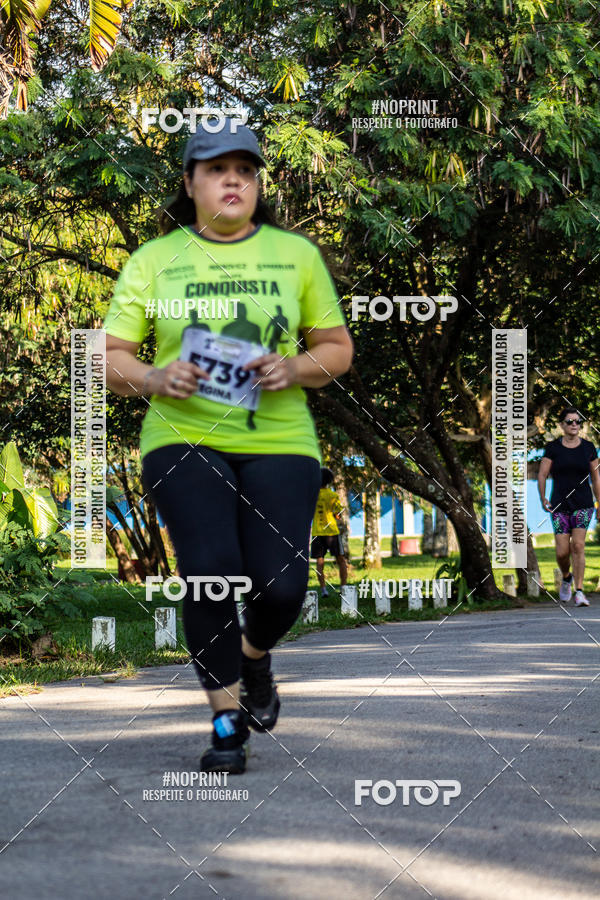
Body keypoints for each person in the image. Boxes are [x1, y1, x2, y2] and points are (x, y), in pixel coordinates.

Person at [103, 119, 353, 773]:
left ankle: (254, 657)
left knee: (281, 587)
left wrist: (293, 368)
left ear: (258, 182)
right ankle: (225, 723)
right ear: (190, 184)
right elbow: (108, 360)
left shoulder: (294, 256)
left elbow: (337, 349)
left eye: (244, 167)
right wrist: (155, 376)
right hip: (182, 434)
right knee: (211, 571)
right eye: (215, 168)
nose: (232, 178)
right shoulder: (153, 261)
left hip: (280, 437)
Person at [538, 407, 600, 607]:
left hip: (583, 504)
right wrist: (542, 497)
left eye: (578, 421)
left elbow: (596, 478)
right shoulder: (553, 448)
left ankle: (579, 591)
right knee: (562, 552)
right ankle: (566, 577)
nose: (575, 425)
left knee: (579, 545)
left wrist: (599, 503)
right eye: (570, 421)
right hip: (560, 505)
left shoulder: (589, 448)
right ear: (562, 425)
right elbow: (542, 474)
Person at [311, 467, 348, 597]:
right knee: (341, 560)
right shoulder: (333, 495)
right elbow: (338, 515)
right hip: (332, 532)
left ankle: (324, 590)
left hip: (317, 532)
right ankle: (343, 587)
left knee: (320, 562)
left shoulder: (312, 495)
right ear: (330, 481)